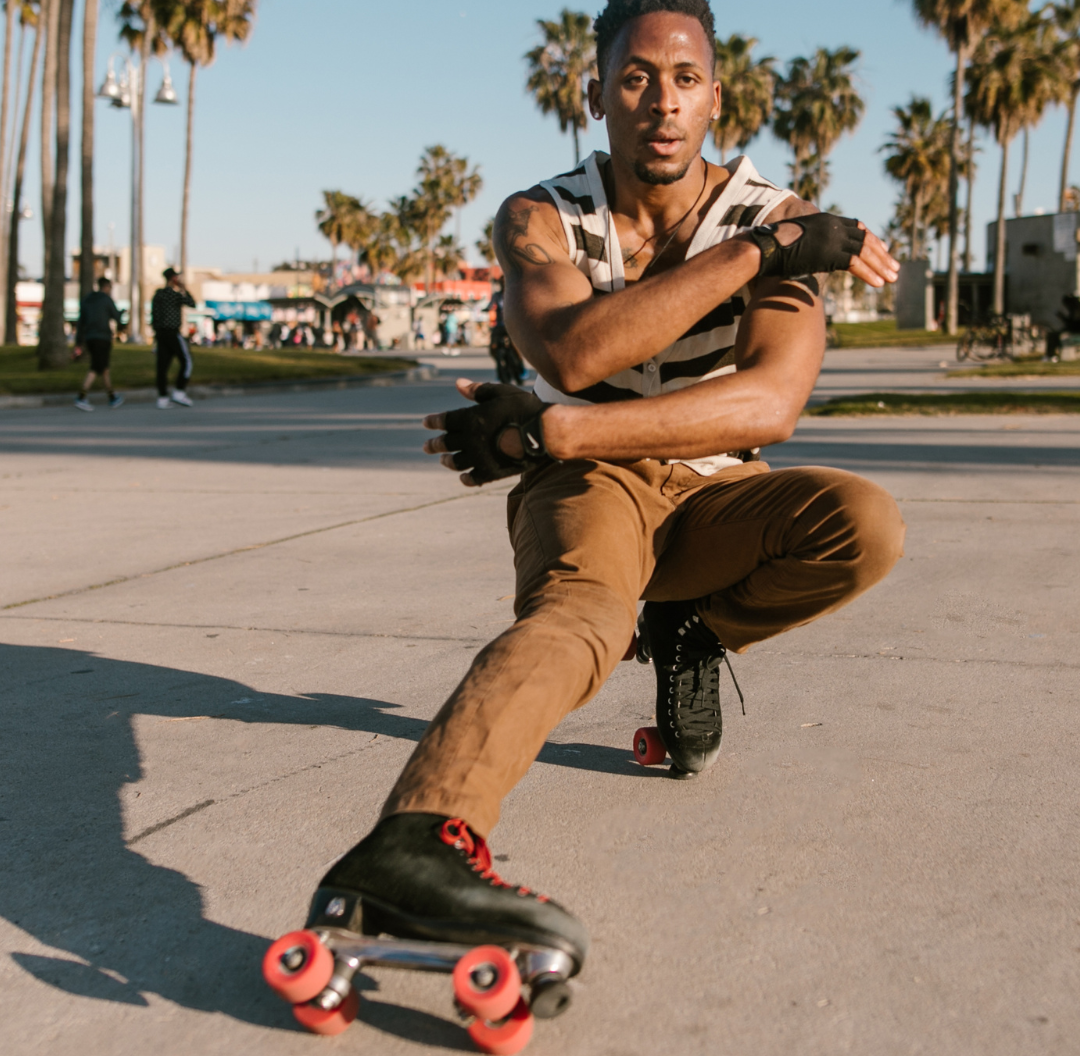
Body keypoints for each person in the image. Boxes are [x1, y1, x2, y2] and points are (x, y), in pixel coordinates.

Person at [301, 0, 905, 985]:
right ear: (596, 94)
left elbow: (769, 404)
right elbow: (577, 354)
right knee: (578, 618)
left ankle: (693, 633)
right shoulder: (544, 216)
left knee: (863, 524)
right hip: (587, 488)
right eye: (635, 78)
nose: (661, 104)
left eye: (685, 79)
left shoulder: (777, 209)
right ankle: (416, 843)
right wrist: (755, 255)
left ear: (716, 97)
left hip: (708, 491)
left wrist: (550, 427)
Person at [74, 277, 126, 410]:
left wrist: (79, 342)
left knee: (104, 368)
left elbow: (81, 323)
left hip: (90, 338)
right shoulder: (106, 300)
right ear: (106, 287)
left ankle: (112, 396)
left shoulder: (87, 300)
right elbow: (117, 317)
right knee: (96, 367)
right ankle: (81, 396)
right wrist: (123, 313)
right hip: (103, 338)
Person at [151, 268, 197, 408]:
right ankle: (179, 391)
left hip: (160, 334)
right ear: (173, 279)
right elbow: (192, 303)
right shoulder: (174, 295)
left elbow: (154, 316)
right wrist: (184, 288)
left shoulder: (158, 295)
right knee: (186, 361)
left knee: (162, 366)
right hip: (172, 333)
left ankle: (163, 398)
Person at [1046, 293, 1080, 362]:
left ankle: (1051, 356)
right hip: (1075, 330)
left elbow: (1075, 324)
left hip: (1078, 331)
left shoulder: (1079, 310)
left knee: (1054, 335)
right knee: (1053, 334)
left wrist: (1062, 318)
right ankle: (1051, 355)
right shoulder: (1076, 309)